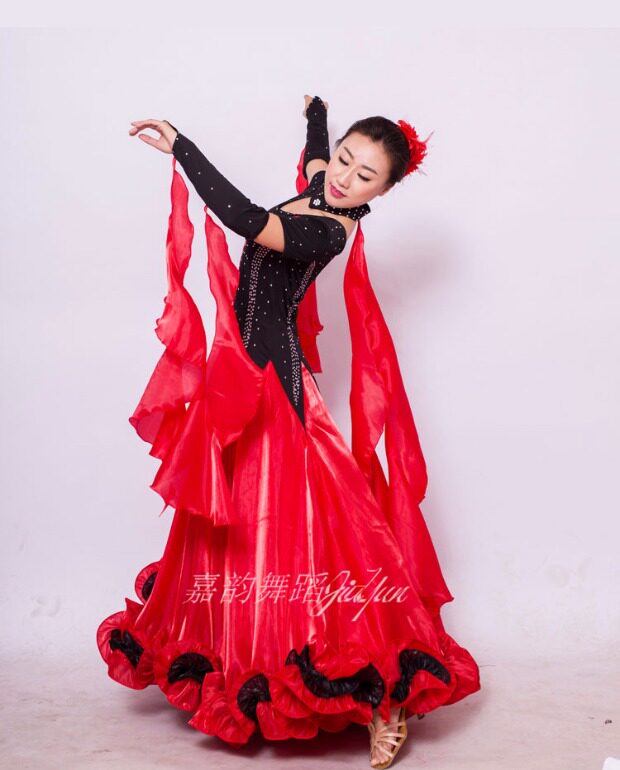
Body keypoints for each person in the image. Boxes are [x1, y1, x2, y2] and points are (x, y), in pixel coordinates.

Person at [96, 95, 481, 769]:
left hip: (278, 392)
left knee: (317, 538)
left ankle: (384, 698)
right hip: (240, 382)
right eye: (346, 160)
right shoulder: (322, 184)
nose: (345, 176)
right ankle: (246, 655)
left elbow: (245, 218)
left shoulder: (328, 232)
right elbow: (316, 160)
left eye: (365, 176)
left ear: (382, 193)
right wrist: (317, 114)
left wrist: (181, 145)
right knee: (238, 533)